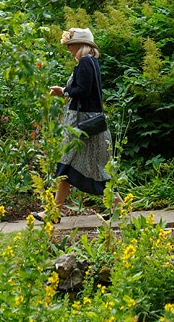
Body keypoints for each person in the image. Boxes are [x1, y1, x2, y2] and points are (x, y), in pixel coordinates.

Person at [37, 28, 115, 221]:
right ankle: (54, 212)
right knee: (70, 168)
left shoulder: (86, 63)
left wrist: (64, 91)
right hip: (85, 123)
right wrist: (63, 90)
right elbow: (84, 89)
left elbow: (82, 90)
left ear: (81, 45)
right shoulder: (90, 62)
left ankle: (53, 213)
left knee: (75, 168)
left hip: (82, 124)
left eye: (71, 45)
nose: (69, 49)